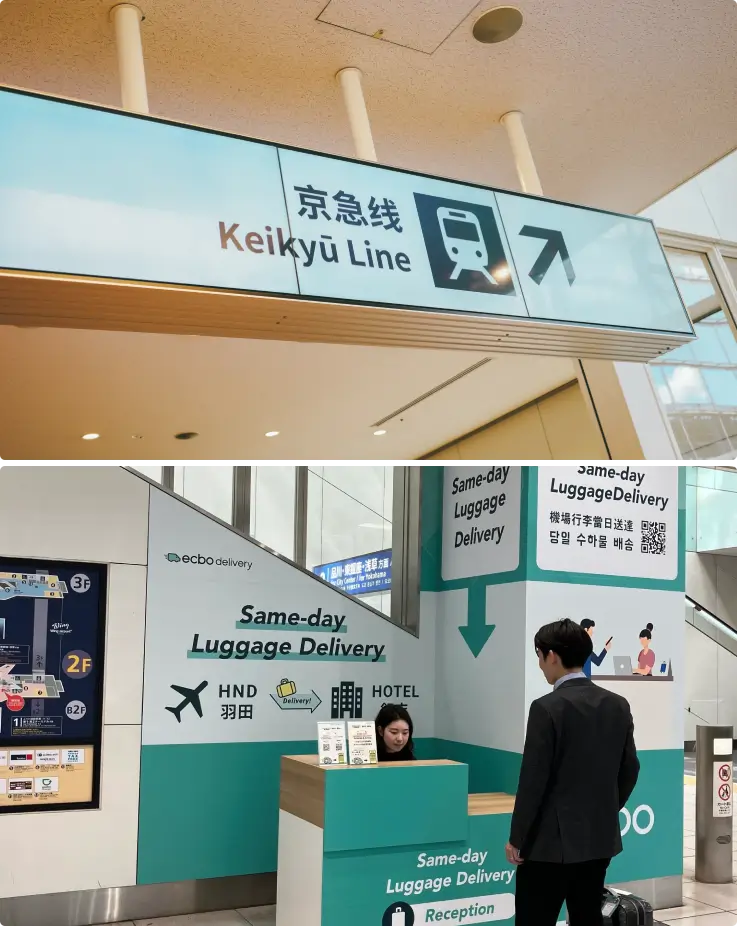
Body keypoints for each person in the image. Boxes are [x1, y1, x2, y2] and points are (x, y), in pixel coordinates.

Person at [506, 618, 640, 926]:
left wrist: (517, 838)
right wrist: (605, 809)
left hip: (547, 846)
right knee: (587, 917)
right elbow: (630, 768)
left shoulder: (546, 707)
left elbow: (533, 781)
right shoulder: (617, 705)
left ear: (551, 655)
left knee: (535, 919)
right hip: (598, 839)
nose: (540, 665)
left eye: (539, 656)